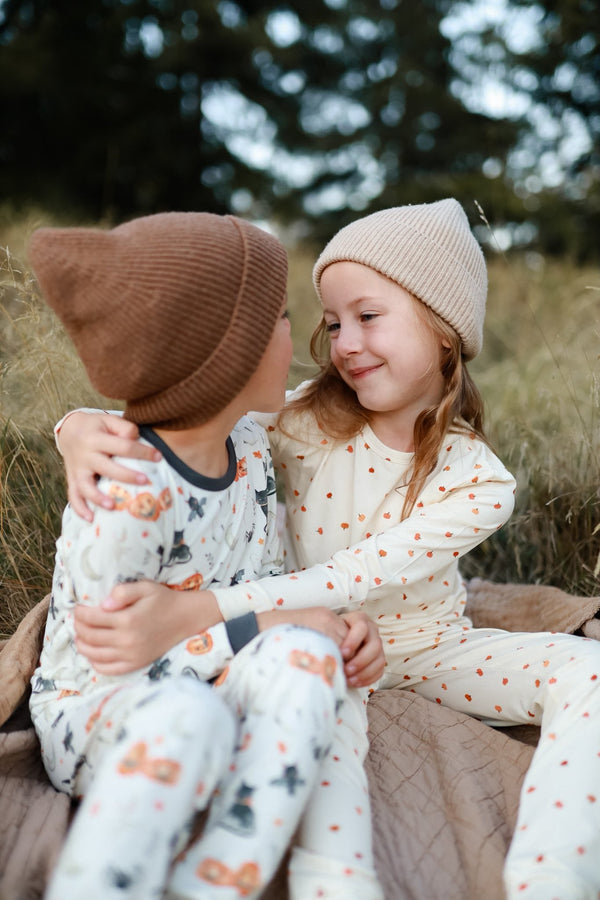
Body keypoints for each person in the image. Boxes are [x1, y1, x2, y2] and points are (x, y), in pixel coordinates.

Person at [57, 199, 600, 900]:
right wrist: (75, 427)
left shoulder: (478, 481)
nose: (345, 342)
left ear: (443, 331)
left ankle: (553, 877)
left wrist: (192, 614)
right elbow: (187, 415)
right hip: (320, 638)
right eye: (334, 322)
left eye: (369, 317)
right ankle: (335, 882)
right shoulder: (310, 416)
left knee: (589, 670)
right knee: (322, 703)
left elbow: (354, 575)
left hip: (431, 647)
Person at [28, 211, 385, 900]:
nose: (297, 333)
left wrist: (323, 625)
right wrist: (270, 626)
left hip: (214, 672)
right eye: (280, 318)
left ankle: (218, 877)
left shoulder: (248, 441)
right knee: (192, 719)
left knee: (312, 662)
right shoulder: (128, 497)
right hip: (109, 712)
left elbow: (263, 581)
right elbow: (119, 660)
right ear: (230, 356)